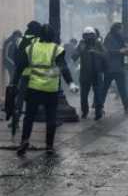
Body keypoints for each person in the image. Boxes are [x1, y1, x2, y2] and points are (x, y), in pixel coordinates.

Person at [11, 25, 78, 156]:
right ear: (53, 36)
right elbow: (63, 68)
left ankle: (24, 141)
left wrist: (14, 83)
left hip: (34, 88)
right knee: (51, 118)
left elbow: (19, 68)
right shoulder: (57, 49)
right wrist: (71, 83)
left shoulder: (30, 48)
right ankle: (49, 146)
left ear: (40, 36)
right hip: (51, 90)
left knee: (29, 117)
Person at [10, 21, 43, 134]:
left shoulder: (21, 40)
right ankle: (29, 119)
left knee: (20, 98)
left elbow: (17, 59)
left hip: (23, 74)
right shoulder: (39, 41)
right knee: (34, 99)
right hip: (36, 74)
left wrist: (15, 78)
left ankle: (16, 117)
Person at [99, 23, 128, 115]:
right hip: (110, 68)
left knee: (122, 88)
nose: (122, 31)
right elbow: (107, 51)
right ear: (116, 29)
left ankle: (127, 107)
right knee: (105, 89)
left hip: (119, 67)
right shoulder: (109, 37)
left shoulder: (119, 38)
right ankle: (99, 107)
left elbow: (123, 49)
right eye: (120, 29)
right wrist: (119, 51)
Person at [72, 27, 107, 120]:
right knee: (84, 95)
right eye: (87, 36)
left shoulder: (98, 44)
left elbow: (105, 55)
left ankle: (98, 112)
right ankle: (85, 111)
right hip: (85, 74)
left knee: (98, 94)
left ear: (94, 36)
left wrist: (95, 52)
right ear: (84, 36)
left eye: (91, 35)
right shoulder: (82, 44)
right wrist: (80, 50)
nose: (89, 38)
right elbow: (74, 56)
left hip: (96, 73)